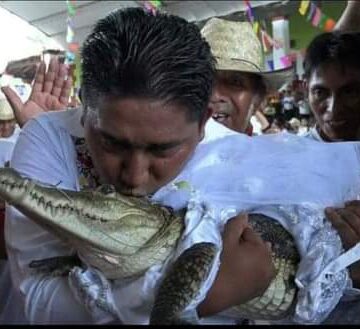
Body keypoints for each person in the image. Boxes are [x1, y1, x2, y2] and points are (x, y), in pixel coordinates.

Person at [2, 8, 360, 325]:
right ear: (84, 109)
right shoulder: (50, 137)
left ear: (204, 124)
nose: (134, 176)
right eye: (113, 143)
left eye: (163, 149)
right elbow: (38, 299)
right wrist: (204, 295)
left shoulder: (249, 159)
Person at [201, 17, 294, 135]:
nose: (215, 95)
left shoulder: (274, 152)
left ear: (257, 99)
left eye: (235, 82)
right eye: (205, 80)